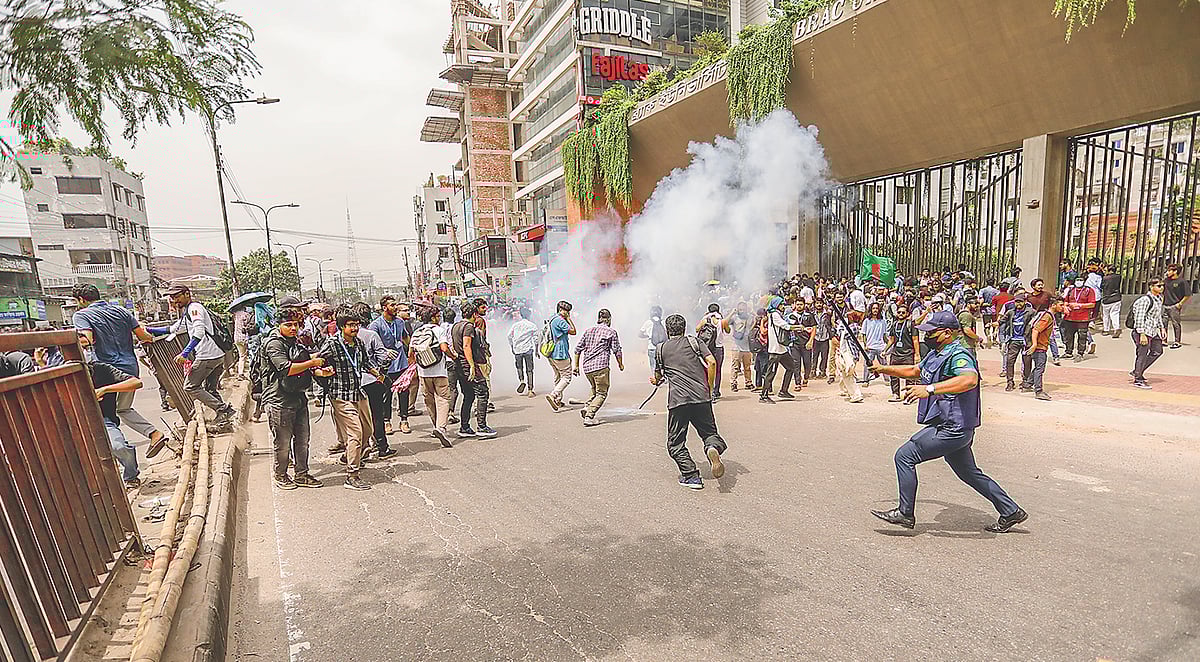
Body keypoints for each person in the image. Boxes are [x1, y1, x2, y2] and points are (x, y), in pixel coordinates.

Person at [868, 310, 1027, 533]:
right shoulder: (937, 352)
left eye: (931, 332)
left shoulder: (958, 355)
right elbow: (916, 370)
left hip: (953, 427)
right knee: (968, 472)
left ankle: (905, 513)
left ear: (946, 332)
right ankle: (1011, 511)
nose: (927, 336)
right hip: (955, 426)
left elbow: (969, 379)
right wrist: (884, 369)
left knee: (904, 456)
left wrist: (929, 389)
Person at [71, 283, 169, 458]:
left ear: (81, 299)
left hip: (106, 372)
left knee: (105, 415)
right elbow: (142, 336)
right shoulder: (122, 311)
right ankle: (150, 436)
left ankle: (124, 454)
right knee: (121, 409)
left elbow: (87, 339)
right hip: (130, 367)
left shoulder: (81, 315)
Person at [650, 314, 727, 490]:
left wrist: (656, 380)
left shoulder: (661, 348)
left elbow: (658, 376)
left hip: (679, 401)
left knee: (675, 443)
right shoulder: (695, 342)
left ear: (667, 330)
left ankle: (691, 476)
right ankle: (712, 448)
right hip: (701, 397)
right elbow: (712, 362)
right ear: (684, 328)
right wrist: (708, 385)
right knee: (709, 432)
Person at [259, 298, 325, 490]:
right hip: (278, 400)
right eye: (288, 325)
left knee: (303, 439)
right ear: (278, 325)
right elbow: (286, 368)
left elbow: (304, 359)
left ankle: (302, 474)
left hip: (298, 396)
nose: (293, 328)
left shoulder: (294, 342)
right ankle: (280, 475)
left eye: (296, 325)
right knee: (283, 442)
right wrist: (312, 363)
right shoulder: (273, 344)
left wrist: (318, 366)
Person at [318, 305, 380, 491]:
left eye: (357, 324)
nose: (354, 328)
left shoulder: (359, 342)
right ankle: (352, 475)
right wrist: (323, 372)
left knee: (368, 432)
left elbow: (365, 362)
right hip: (340, 395)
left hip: (358, 392)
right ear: (341, 326)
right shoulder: (332, 344)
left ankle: (349, 455)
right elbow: (318, 363)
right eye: (350, 325)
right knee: (355, 433)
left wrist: (376, 372)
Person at [80, 331, 144, 489]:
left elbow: (136, 383)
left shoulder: (101, 369)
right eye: (80, 348)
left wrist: (105, 389)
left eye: (87, 347)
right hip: (76, 423)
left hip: (104, 420)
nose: (85, 352)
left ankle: (131, 475)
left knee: (118, 447)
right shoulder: (60, 372)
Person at [164, 285, 236, 424]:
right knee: (210, 389)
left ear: (187, 294)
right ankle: (225, 419)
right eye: (172, 297)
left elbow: (199, 332)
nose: (174, 300)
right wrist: (146, 329)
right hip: (217, 355)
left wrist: (185, 353)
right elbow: (173, 329)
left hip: (207, 355)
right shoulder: (188, 312)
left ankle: (223, 409)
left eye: (177, 296)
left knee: (190, 386)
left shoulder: (194, 308)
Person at [354, 302, 399, 460]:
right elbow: (382, 357)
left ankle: (361, 448)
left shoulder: (344, 336)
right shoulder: (370, 335)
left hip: (354, 382)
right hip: (371, 380)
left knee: (358, 417)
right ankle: (381, 447)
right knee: (376, 415)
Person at [450, 300, 495, 438]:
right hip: (467, 365)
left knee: (468, 396)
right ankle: (481, 426)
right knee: (482, 392)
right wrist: (471, 366)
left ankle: (464, 427)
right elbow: (466, 346)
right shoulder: (468, 326)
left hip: (459, 365)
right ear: (474, 313)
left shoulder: (456, 326)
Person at [409, 306, 453, 446]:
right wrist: (454, 356)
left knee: (429, 400)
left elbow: (411, 353)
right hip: (439, 371)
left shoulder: (417, 332)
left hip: (423, 372)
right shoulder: (438, 330)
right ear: (433, 317)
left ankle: (436, 426)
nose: (439, 318)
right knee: (443, 399)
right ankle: (441, 428)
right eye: (438, 316)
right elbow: (444, 348)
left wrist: (415, 367)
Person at [368, 296, 411, 435]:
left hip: (401, 362)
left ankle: (404, 420)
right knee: (386, 393)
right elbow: (372, 345)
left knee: (404, 391)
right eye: (392, 305)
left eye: (396, 304)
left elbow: (405, 337)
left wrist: (411, 350)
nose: (395, 307)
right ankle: (387, 421)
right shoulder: (376, 325)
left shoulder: (400, 322)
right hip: (386, 365)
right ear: (384, 307)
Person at [573, 309, 624, 426]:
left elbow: (577, 349)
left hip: (587, 368)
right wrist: (620, 364)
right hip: (600, 367)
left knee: (594, 388)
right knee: (601, 393)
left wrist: (576, 366)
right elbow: (617, 351)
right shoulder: (611, 332)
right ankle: (589, 416)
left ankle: (587, 406)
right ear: (609, 319)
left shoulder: (589, 330)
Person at [760, 296, 800, 403]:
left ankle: (784, 391)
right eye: (781, 304)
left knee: (791, 367)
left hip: (782, 349)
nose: (783, 306)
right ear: (777, 305)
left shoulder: (778, 314)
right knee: (771, 372)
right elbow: (786, 326)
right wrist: (801, 327)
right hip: (775, 350)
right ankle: (764, 395)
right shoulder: (774, 315)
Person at [1130, 278, 1167, 389]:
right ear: (1151, 287)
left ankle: (1137, 370)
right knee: (1142, 354)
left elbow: (1157, 315)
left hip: (1153, 330)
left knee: (1157, 351)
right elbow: (1139, 317)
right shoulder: (1144, 300)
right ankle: (1138, 379)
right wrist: (1142, 333)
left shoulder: (1158, 299)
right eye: (1158, 286)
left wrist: (1162, 328)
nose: (1161, 288)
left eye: (1162, 285)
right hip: (1144, 331)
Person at [1024, 296, 1062, 401]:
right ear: (1053, 305)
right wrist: (1035, 344)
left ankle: (1027, 384)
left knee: (1038, 367)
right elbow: (1036, 330)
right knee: (1040, 368)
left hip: (1041, 346)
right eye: (1060, 305)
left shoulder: (1049, 315)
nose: (1062, 307)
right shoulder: (1047, 317)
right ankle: (1038, 391)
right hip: (1039, 347)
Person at [885, 300, 920, 404]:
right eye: (899, 312)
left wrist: (917, 354)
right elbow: (891, 339)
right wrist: (885, 350)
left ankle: (909, 396)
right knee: (893, 374)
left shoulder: (911, 324)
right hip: (896, 353)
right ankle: (896, 394)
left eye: (903, 312)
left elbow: (915, 340)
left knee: (909, 376)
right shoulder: (894, 324)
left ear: (907, 314)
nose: (900, 314)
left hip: (908, 353)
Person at [545, 300, 576, 411]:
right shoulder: (560, 321)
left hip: (551, 353)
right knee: (567, 377)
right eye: (566, 311)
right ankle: (554, 395)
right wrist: (568, 319)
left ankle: (557, 400)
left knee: (558, 375)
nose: (568, 313)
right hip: (560, 353)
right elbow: (573, 331)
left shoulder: (552, 318)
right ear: (561, 310)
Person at [998, 294, 1034, 391]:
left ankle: (1025, 381)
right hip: (1013, 340)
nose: (1018, 303)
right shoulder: (1011, 312)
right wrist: (995, 324)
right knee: (1010, 361)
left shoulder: (1031, 312)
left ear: (1025, 302)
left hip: (1026, 341)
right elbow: (1002, 320)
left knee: (1027, 362)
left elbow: (1035, 325)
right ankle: (1010, 382)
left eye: (1020, 301)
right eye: (1016, 301)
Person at [695, 303, 728, 399]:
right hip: (719, 348)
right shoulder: (721, 321)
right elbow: (728, 330)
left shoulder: (705, 319)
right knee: (717, 371)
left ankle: (707, 390)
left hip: (707, 347)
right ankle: (716, 392)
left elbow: (697, 329)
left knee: (706, 369)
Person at [1061, 277, 1096, 361]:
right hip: (1070, 317)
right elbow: (1066, 301)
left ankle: (1080, 353)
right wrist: (1065, 307)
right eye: (1077, 280)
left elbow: (1092, 304)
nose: (1079, 282)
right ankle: (1068, 352)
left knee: (1082, 336)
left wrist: (1080, 305)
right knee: (1068, 335)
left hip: (1083, 318)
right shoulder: (1071, 290)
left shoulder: (1089, 290)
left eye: (1081, 280)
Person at [507, 307, 538, 396]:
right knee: (530, 370)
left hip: (517, 350)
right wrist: (536, 350)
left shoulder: (515, 325)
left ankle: (521, 380)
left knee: (519, 367)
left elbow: (509, 336)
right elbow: (536, 339)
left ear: (521, 315)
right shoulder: (532, 325)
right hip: (528, 349)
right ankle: (530, 390)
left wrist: (512, 346)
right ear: (529, 315)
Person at [725, 301, 754, 392]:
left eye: (744, 309)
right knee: (735, 366)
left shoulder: (750, 317)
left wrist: (753, 312)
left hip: (747, 346)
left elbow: (756, 321)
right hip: (736, 346)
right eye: (740, 309)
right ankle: (733, 383)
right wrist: (731, 313)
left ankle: (748, 382)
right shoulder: (734, 318)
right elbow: (725, 322)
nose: (742, 311)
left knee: (747, 366)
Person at [1163, 263, 1190, 349]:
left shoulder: (1182, 282)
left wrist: (1180, 304)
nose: (1168, 272)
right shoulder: (1166, 281)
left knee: (1176, 324)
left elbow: (1187, 294)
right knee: (1164, 323)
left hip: (1174, 305)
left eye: (1170, 270)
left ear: (1175, 271)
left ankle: (1177, 341)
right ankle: (1164, 340)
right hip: (1165, 305)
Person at [860, 303, 887, 384]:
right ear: (871, 310)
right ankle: (866, 380)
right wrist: (865, 345)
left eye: (876, 308)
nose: (875, 310)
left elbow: (884, 335)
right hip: (870, 347)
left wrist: (887, 347)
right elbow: (863, 334)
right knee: (867, 365)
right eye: (873, 308)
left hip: (880, 346)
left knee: (884, 364)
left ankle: (887, 379)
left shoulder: (882, 321)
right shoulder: (867, 321)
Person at [1099, 264, 1123, 337]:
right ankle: (1116, 328)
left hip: (1107, 299)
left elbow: (1101, 286)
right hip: (1117, 298)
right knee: (1115, 314)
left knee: (1106, 315)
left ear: (1109, 270)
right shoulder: (1119, 277)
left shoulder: (1105, 278)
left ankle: (1106, 329)